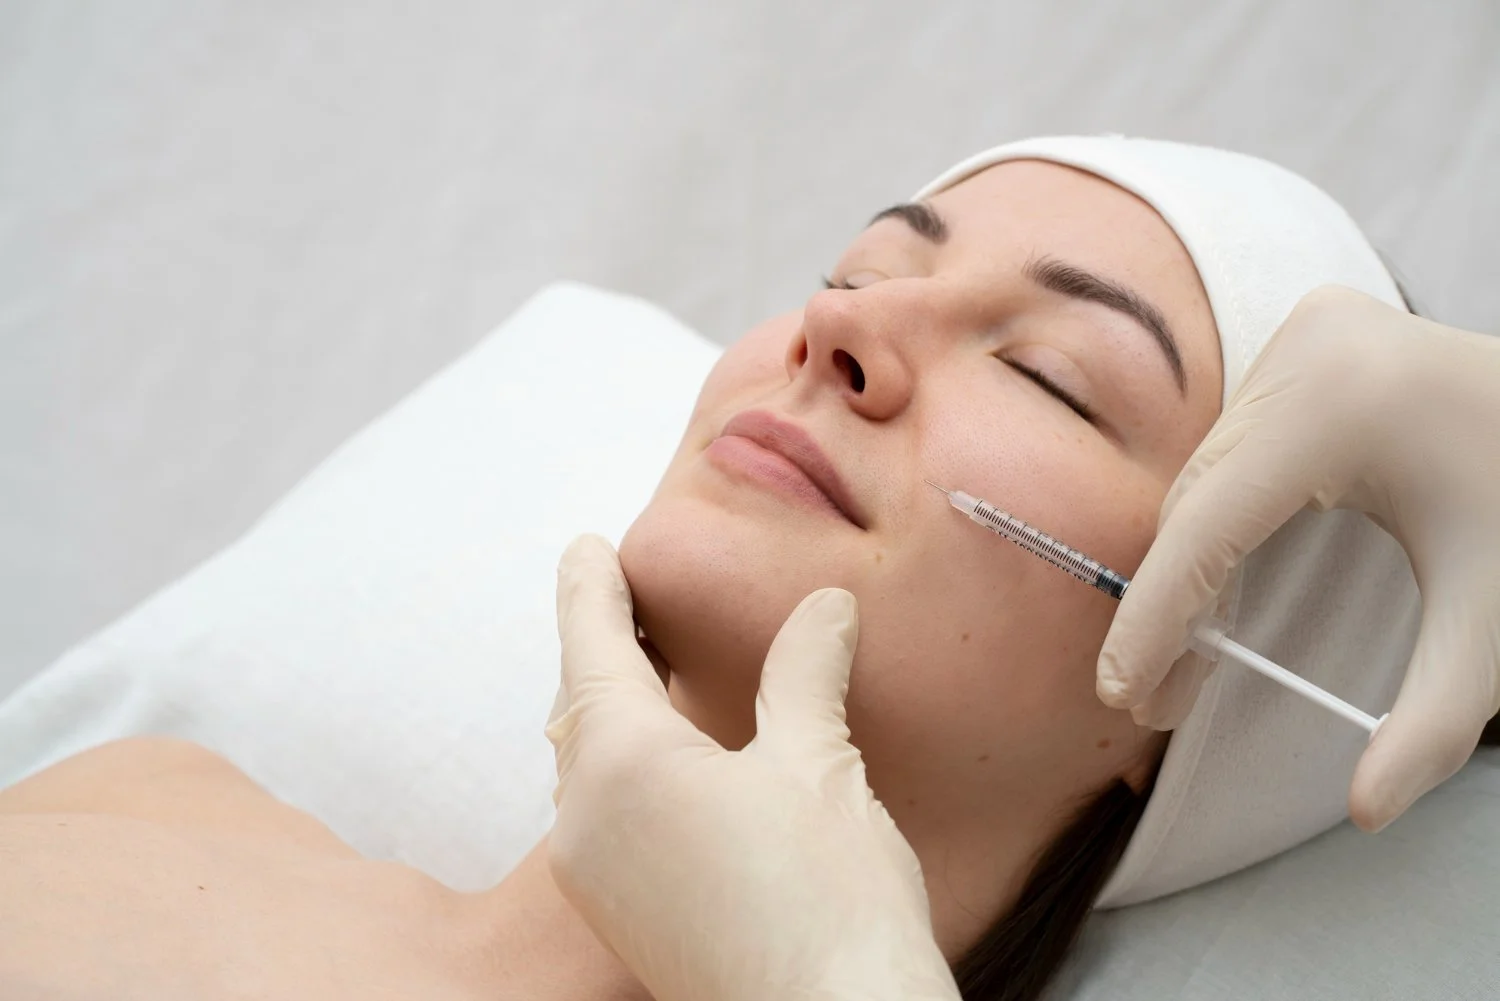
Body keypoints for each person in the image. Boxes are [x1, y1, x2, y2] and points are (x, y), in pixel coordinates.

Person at [0, 136, 1458, 1000]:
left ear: (1190, 713)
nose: (840, 338)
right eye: (866, 270)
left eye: (1050, 376)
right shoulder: (146, 804)